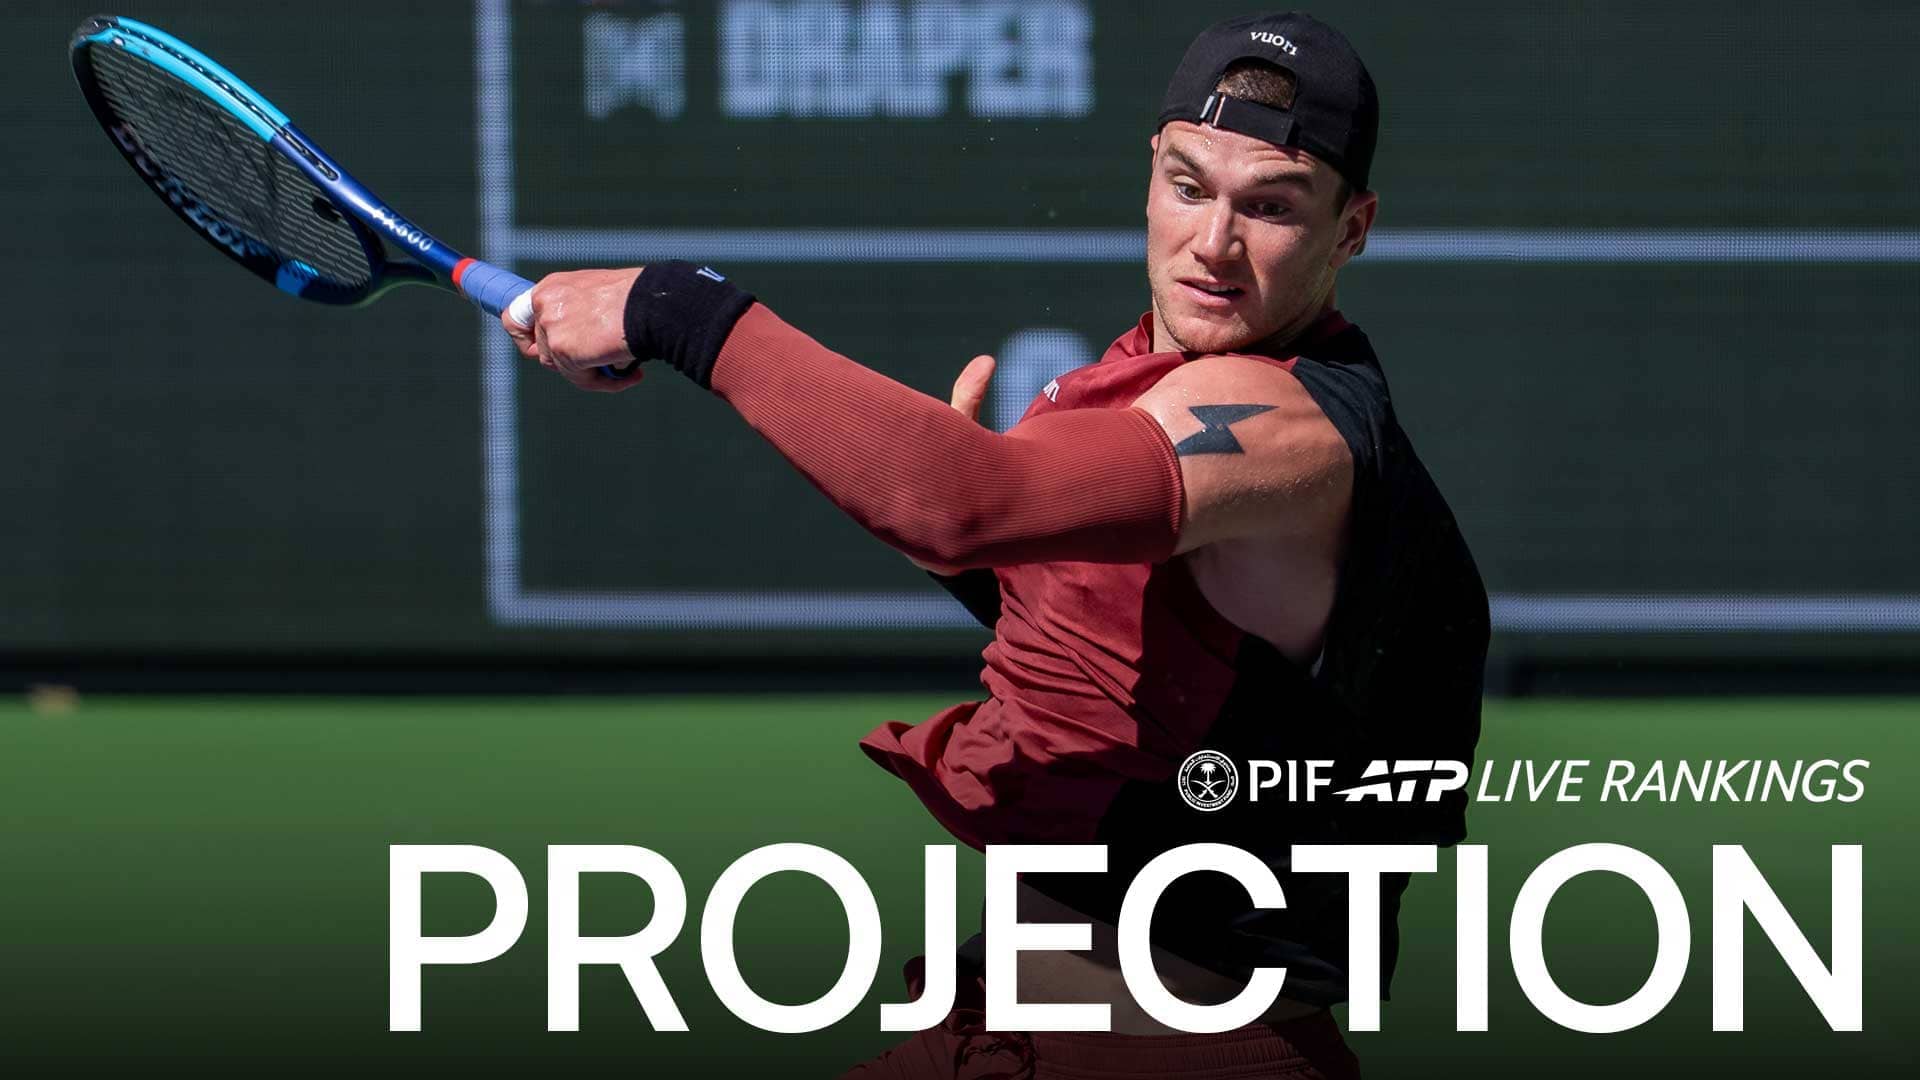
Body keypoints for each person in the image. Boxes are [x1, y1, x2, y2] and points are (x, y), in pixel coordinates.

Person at [506, 12, 1488, 1078]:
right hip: (1001, 1042)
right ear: (1150, 177)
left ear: (1352, 229)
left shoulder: (1282, 422)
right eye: (1189, 187)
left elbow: (960, 501)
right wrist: (979, 568)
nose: (1215, 242)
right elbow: (1168, 665)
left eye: (1271, 206)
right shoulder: (1154, 381)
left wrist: (679, 311)